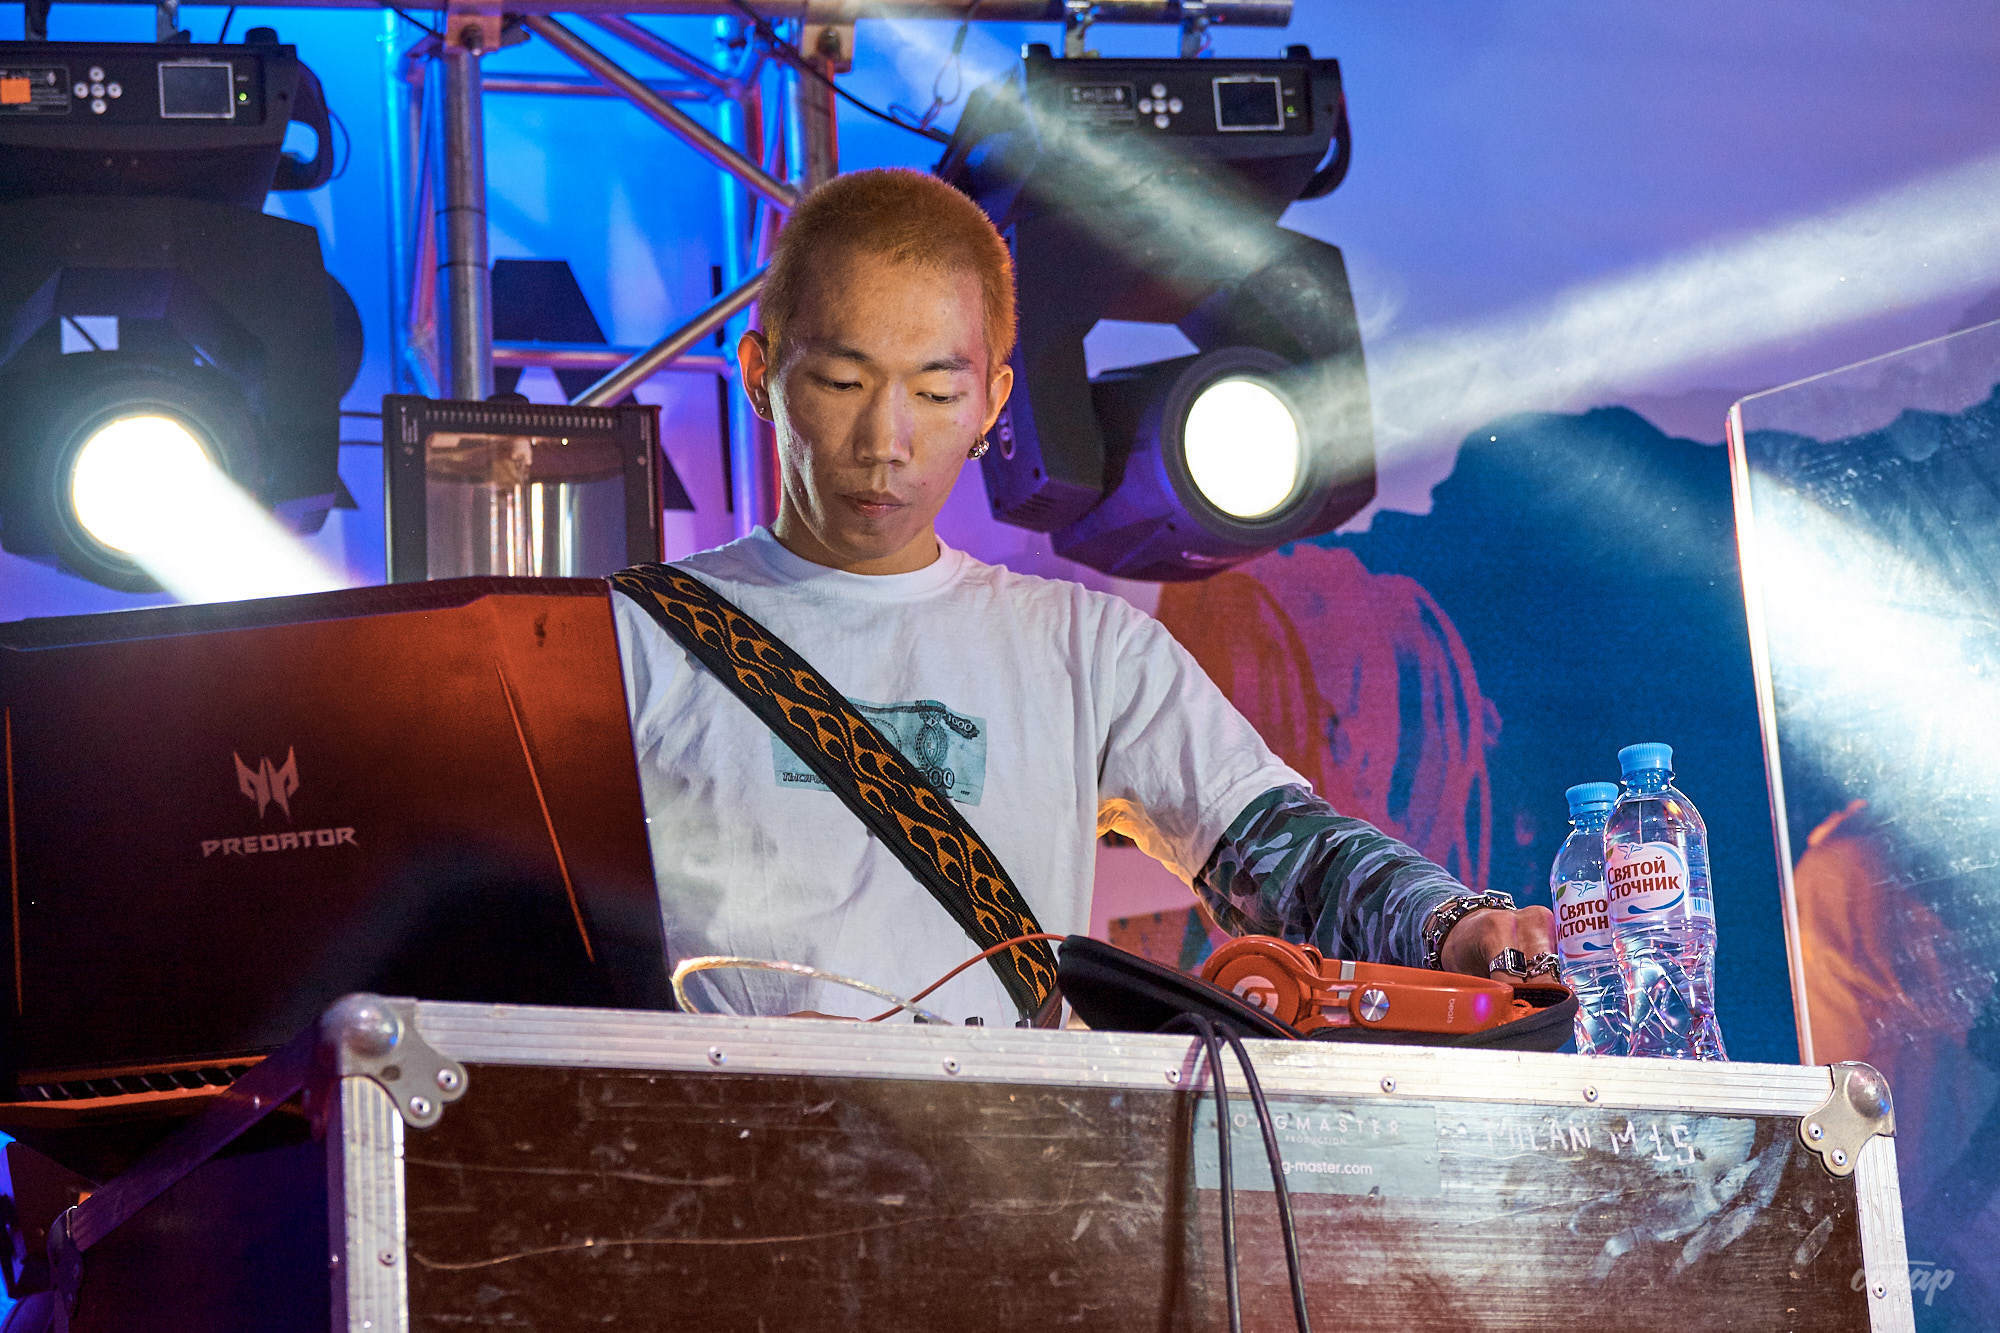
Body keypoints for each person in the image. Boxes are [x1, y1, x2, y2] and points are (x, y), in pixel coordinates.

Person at [612, 167, 1555, 1024]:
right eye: (842, 379)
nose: (885, 439)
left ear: (992, 403)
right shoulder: (632, 639)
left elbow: (1284, 853)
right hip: (717, 1172)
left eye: (936, 395)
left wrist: (1448, 925)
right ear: (759, 374)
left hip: (1012, 1176)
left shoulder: (1085, 649)